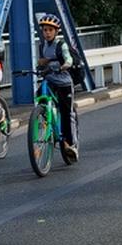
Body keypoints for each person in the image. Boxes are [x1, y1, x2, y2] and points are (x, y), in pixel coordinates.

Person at [34, 13, 80, 163]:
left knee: (67, 113)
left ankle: (71, 144)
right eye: (45, 30)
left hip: (64, 82)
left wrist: (63, 66)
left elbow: (69, 60)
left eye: (50, 30)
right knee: (40, 99)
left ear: (56, 31)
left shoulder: (61, 45)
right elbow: (41, 63)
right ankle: (44, 129)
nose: (47, 33)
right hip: (50, 80)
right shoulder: (42, 46)